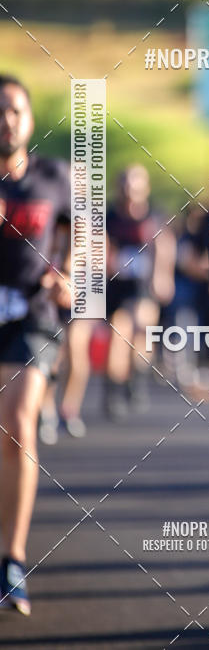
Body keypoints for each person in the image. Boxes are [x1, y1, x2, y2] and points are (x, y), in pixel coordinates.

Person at [0, 75, 71, 615]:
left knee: (19, 422)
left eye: (15, 110)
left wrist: (70, 276)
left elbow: (88, 238)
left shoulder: (55, 177)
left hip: (34, 315)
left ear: (28, 119)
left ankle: (12, 559)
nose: (6, 120)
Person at [104, 165, 175, 419]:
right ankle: (113, 389)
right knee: (118, 334)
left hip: (144, 285)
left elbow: (165, 246)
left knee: (142, 331)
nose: (129, 190)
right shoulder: (110, 216)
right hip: (116, 286)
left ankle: (136, 380)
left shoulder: (153, 215)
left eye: (135, 184)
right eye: (125, 183)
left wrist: (163, 277)